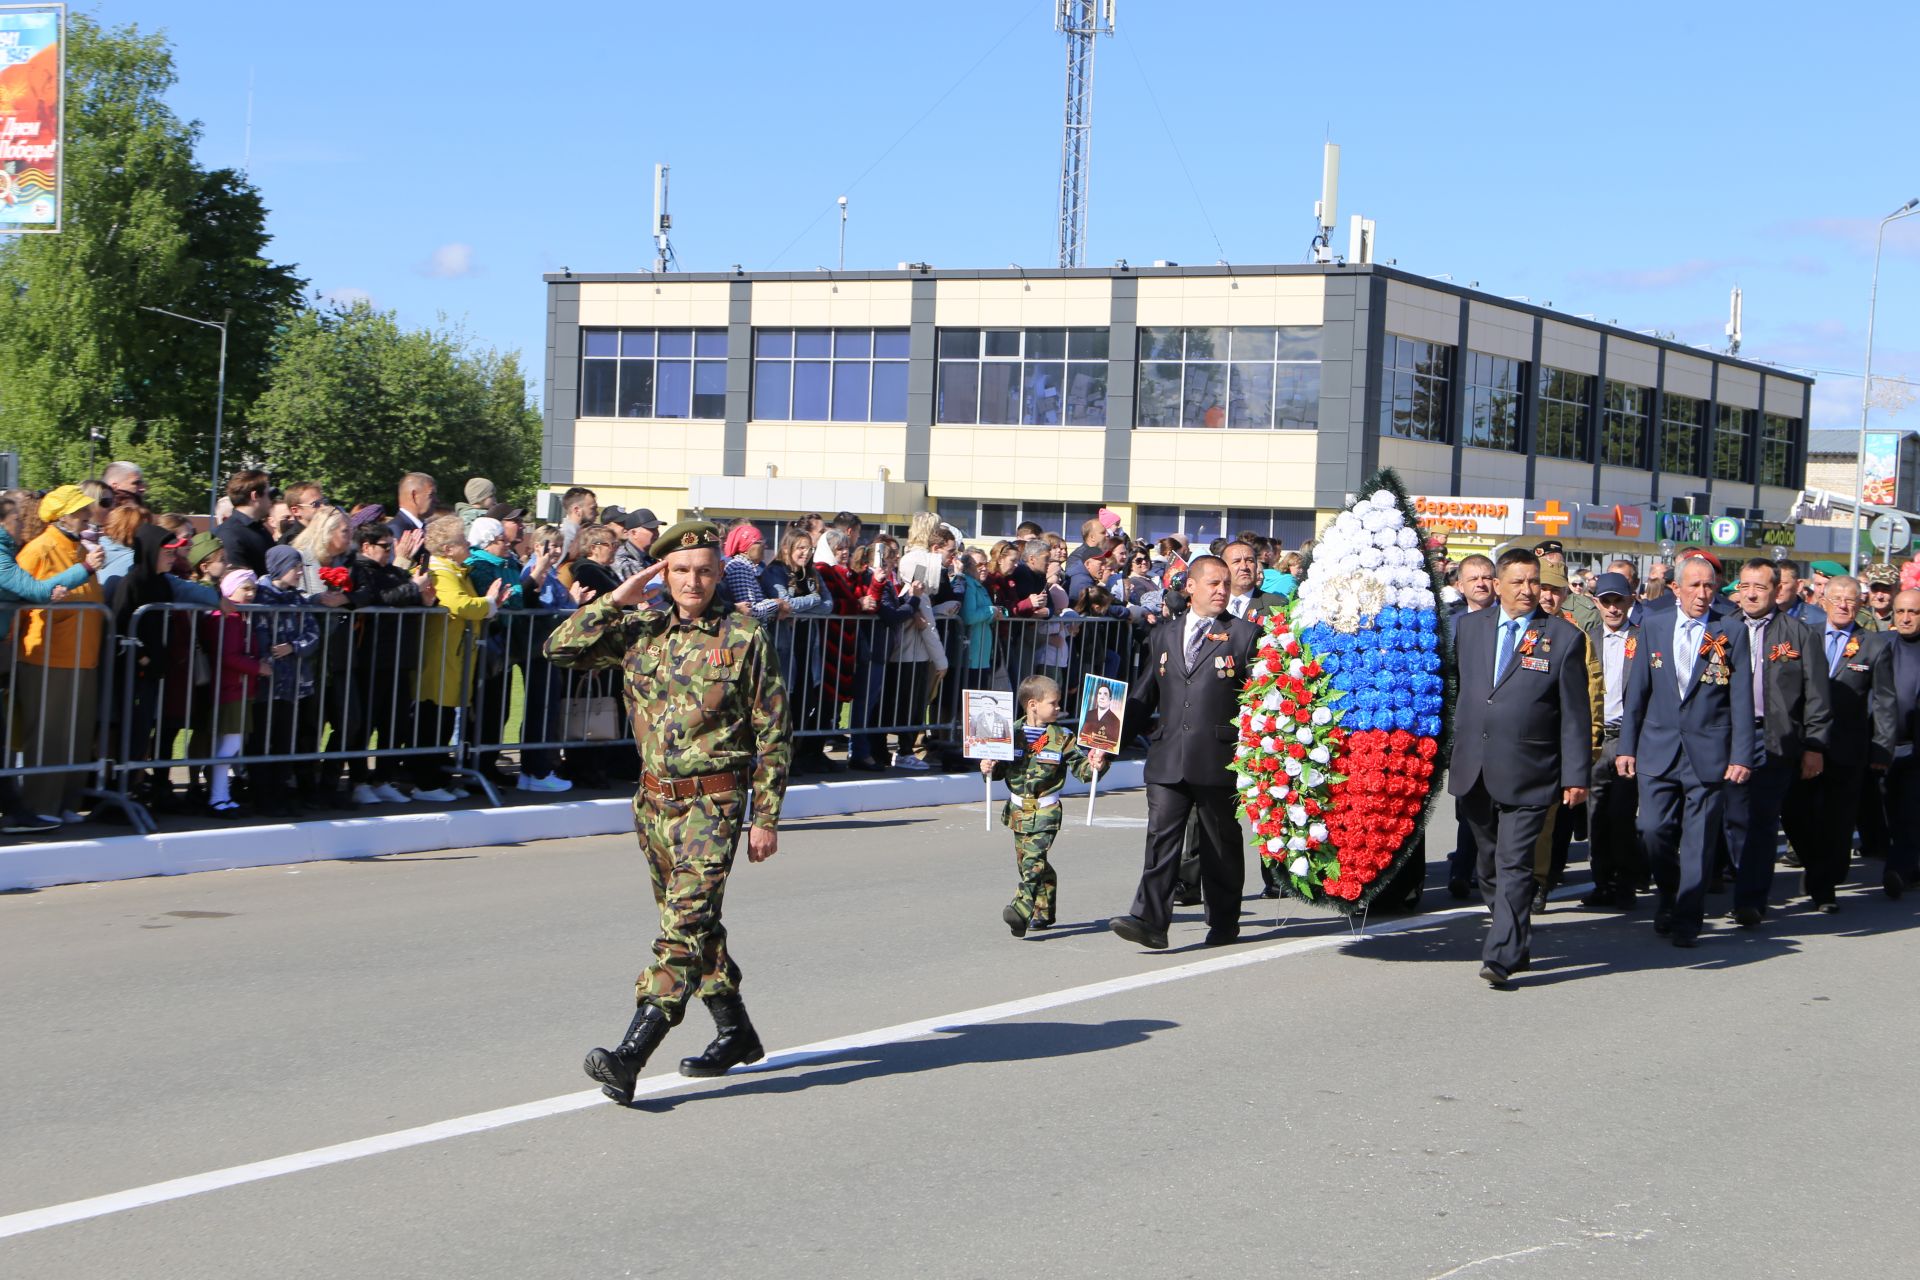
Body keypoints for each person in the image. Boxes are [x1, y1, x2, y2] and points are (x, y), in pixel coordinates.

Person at [544, 519, 789, 1105]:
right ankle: (735, 1032)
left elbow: (772, 730)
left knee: (679, 929)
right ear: (663, 573)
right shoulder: (639, 630)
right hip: (654, 804)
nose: (692, 581)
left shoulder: (743, 636)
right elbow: (560, 649)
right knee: (696, 925)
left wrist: (766, 815)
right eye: (680, 571)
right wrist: (617, 598)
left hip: (715, 802)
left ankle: (632, 1052)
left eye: (704, 570)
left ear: (717, 574)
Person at [1448, 549, 1591, 986]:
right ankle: (1518, 938)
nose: (1528, 591)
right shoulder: (1469, 629)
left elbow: (1574, 713)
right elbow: (1461, 693)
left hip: (1531, 770)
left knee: (1513, 863)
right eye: (1518, 582)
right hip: (1475, 767)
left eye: (1535, 582)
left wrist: (1576, 775)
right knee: (1488, 867)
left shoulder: (1562, 638)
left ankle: (1501, 955)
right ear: (1498, 584)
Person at [1107, 555, 1261, 950]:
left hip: (1218, 755)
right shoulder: (1164, 634)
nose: (1221, 590)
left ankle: (1224, 921)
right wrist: (1107, 742)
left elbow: (1261, 700)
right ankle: (1150, 920)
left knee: (1219, 842)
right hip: (1168, 755)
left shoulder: (1243, 635)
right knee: (1160, 838)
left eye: (1225, 584)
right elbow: (1144, 694)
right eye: (1213, 583)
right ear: (1189, 586)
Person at [1616, 555, 1754, 946]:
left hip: (1709, 751)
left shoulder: (1731, 631)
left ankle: (1687, 917)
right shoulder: (1653, 626)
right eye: (1694, 585)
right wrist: (1628, 746)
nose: (1702, 594)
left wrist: (1741, 755)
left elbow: (1740, 699)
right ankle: (1670, 893)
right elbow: (1636, 693)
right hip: (1658, 747)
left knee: (1698, 841)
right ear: (1676, 588)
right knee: (1652, 829)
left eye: (1709, 586)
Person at [1723, 557, 1830, 928]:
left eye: (1761, 587)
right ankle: (1740, 878)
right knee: (1734, 816)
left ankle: (1751, 900)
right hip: (1729, 736)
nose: (1752, 594)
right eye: (1746, 586)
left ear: (1776, 590)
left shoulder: (1798, 633)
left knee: (1763, 820)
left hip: (1777, 739)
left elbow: (1816, 694)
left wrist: (1814, 745)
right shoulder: (1722, 628)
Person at [1779, 575, 1895, 913]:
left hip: (1848, 746)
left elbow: (1884, 701)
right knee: (1795, 813)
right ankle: (1817, 865)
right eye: (1837, 598)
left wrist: (1881, 747)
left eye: (1851, 599)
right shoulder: (1805, 635)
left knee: (1838, 820)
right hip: (1804, 743)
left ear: (1860, 604)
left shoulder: (1874, 644)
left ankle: (1824, 887)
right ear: (1823, 601)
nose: (1843, 605)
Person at [13, 485, 111, 820]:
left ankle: (67, 803)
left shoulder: (80, 548)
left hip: (83, 656)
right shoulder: (39, 549)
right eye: (81, 510)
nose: (88, 514)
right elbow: (23, 601)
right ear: (62, 515)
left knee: (78, 735)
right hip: (47, 657)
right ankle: (41, 806)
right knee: (49, 736)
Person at [985, 674, 1109, 936]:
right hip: (1018, 810)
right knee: (1029, 862)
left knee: (1033, 861)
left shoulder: (1062, 737)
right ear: (1033, 704)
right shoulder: (1010, 732)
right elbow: (997, 773)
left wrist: (1099, 763)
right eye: (1053, 703)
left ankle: (1020, 909)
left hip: (1045, 811)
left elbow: (1084, 771)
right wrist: (987, 766)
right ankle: (1044, 908)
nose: (1058, 708)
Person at [413, 515, 505, 801]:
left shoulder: (455, 570)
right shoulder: (440, 572)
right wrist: (488, 604)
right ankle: (426, 783)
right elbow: (459, 604)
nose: (468, 544)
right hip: (439, 658)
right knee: (433, 721)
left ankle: (439, 778)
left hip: (454, 656)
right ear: (448, 548)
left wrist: (488, 605)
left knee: (442, 719)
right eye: (463, 541)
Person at [1581, 572, 1644, 909]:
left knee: (1621, 816)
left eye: (1618, 600)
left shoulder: (1642, 638)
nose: (1612, 608)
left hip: (1626, 740)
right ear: (1596, 603)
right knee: (1596, 817)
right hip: (1594, 739)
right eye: (1606, 601)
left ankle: (1625, 883)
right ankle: (1601, 881)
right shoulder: (1587, 638)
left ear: (1630, 601)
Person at [202, 569, 271, 817]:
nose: (251, 594)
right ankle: (218, 797)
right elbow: (228, 656)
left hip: (239, 687)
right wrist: (258, 667)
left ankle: (221, 796)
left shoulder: (238, 617)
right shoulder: (230, 618)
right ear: (230, 591)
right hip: (233, 688)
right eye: (246, 589)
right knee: (230, 744)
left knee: (230, 743)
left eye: (253, 589)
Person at [1880, 589, 1920, 898]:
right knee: (1892, 811)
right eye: (1901, 611)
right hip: (1885, 745)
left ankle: (1897, 869)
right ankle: (1908, 865)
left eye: (1914, 612)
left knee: (1909, 809)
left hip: (1916, 747)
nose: (1905, 618)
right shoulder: (1882, 646)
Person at [213, 469, 274, 576]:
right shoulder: (229, 534)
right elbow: (237, 582)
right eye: (268, 494)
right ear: (255, 496)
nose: (271, 500)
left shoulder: (259, 529)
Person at [1222, 539, 1285, 622]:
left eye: (1250, 561)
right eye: (1236, 561)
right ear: (1223, 568)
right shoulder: (1211, 604)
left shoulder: (1276, 604)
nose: (1244, 567)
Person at [389, 473, 437, 568]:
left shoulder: (422, 527)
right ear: (414, 496)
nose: (437, 500)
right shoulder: (396, 529)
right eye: (431, 495)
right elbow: (395, 572)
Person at [1077, 678, 1123, 751]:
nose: (1102, 697)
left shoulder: (1115, 720)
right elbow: (1083, 735)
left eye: (1105, 694)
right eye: (1100, 693)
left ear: (1110, 699)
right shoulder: (1090, 714)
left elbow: (1112, 745)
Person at [557, 486, 599, 556]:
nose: (597, 513)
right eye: (593, 508)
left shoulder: (582, 536)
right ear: (577, 510)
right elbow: (558, 566)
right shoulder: (565, 539)